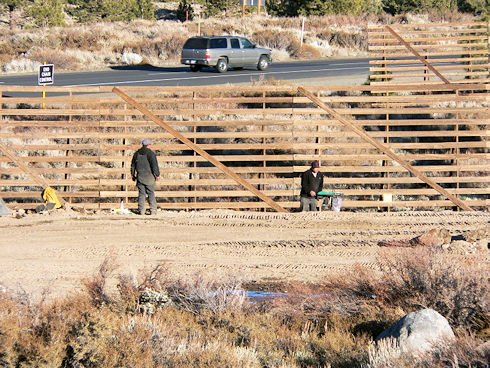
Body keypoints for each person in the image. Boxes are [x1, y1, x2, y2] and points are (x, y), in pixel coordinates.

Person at [131, 139, 160, 215]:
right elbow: (154, 165)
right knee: (151, 194)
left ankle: (141, 210)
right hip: (149, 177)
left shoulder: (136, 154)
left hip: (140, 177)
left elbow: (133, 165)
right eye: (151, 144)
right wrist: (157, 175)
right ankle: (153, 210)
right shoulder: (151, 154)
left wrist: (133, 175)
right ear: (149, 145)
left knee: (141, 194)